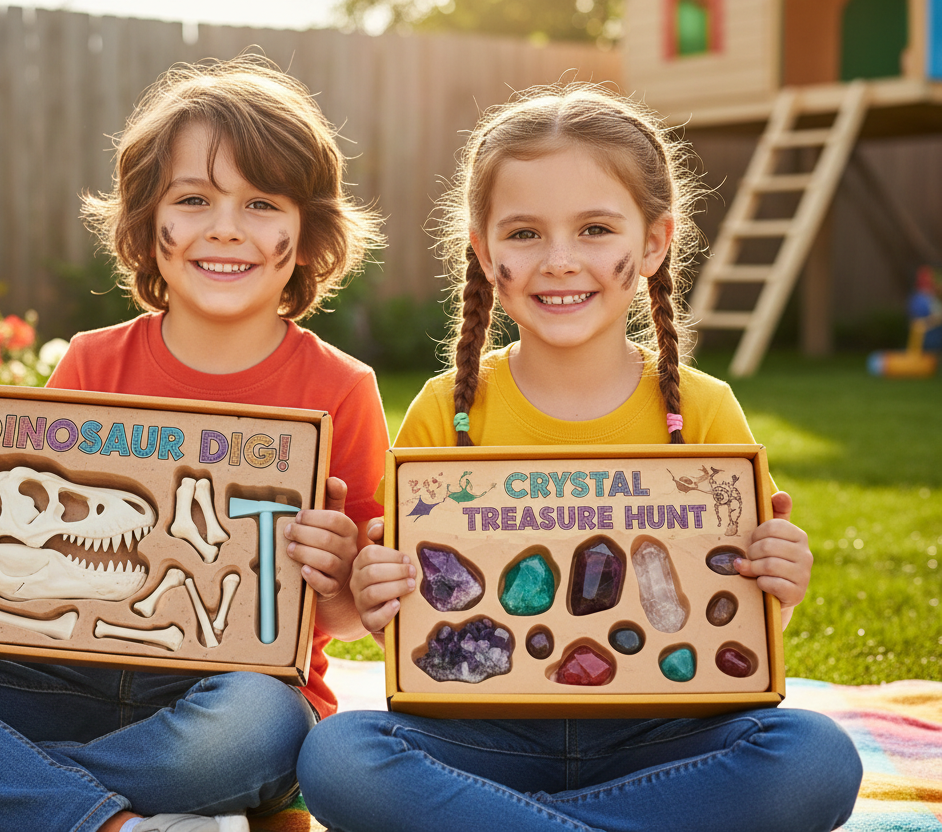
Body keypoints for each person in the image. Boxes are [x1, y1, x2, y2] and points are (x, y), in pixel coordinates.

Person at [0, 55, 388, 832]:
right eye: (194, 199)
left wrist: (341, 573)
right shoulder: (92, 361)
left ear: (306, 231)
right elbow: (14, 566)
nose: (225, 228)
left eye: (261, 203)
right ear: (150, 225)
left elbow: (353, 618)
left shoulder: (341, 387)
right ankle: (118, 822)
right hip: (63, 682)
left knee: (266, 721)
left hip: (221, 704)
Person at [297, 85, 863, 832]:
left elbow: (736, 622)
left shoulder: (704, 409)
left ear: (655, 241)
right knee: (339, 756)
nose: (560, 261)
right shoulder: (447, 410)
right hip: (486, 735)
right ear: (483, 248)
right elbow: (412, 609)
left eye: (595, 229)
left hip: (661, 733)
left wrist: (779, 585)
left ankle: (510, 823)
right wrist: (379, 593)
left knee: (817, 758)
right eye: (525, 234)